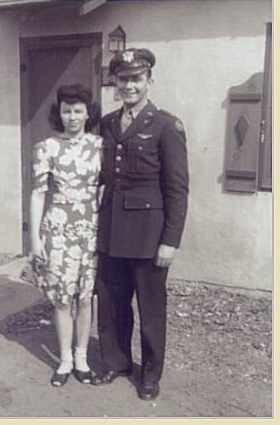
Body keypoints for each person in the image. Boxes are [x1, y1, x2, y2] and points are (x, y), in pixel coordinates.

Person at [95, 48, 189, 400]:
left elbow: (177, 188)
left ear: (150, 80)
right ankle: (117, 362)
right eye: (123, 79)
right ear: (115, 83)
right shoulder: (105, 124)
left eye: (136, 78)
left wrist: (171, 240)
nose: (129, 85)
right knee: (111, 303)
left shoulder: (166, 125)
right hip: (110, 230)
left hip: (149, 235)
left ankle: (150, 374)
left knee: (150, 309)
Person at [30, 84, 102, 387]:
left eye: (77, 111)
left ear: (87, 113)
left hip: (91, 231)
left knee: (85, 299)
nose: (72, 117)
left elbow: (103, 188)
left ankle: (82, 358)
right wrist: (35, 239)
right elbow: (37, 195)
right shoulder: (46, 148)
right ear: (58, 113)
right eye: (66, 111)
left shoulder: (100, 146)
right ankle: (64, 360)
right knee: (62, 299)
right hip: (57, 231)